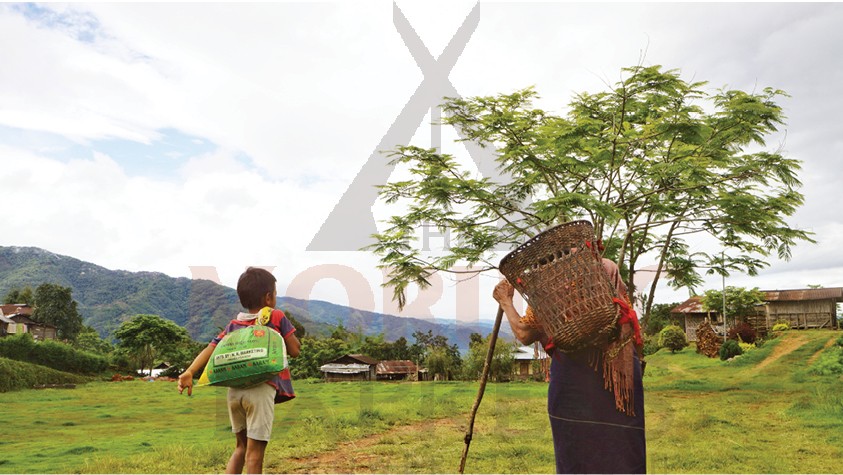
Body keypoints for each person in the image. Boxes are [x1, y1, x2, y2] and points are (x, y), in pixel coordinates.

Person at [493, 257, 646, 474]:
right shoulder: (607, 267)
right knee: (623, 450)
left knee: (576, 456)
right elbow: (627, 318)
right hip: (621, 374)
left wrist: (506, 300)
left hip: (573, 380)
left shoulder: (549, 283)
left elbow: (524, 333)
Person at [178, 267, 301, 474]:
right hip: (261, 390)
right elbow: (295, 350)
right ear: (269, 297)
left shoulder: (234, 324)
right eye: (276, 294)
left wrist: (190, 371)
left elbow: (211, 347)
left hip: (234, 392)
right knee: (255, 454)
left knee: (241, 448)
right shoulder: (276, 316)